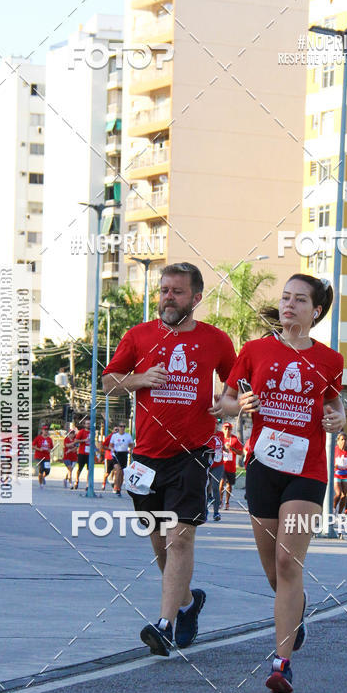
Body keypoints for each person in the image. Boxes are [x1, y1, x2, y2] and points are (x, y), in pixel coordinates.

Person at [102, 262, 237, 657]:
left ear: (196, 298)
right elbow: (109, 383)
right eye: (163, 290)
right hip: (145, 458)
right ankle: (187, 604)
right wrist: (139, 379)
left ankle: (163, 626)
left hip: (192, 454)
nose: (167, 297)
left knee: (181, 538)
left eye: (177, 292)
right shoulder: (139, 335)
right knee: (159, 540)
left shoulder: (215, 340)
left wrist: (227, 406)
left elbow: (237, 388)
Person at [220, 274, 345, 693]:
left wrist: (338, 418)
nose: (288, 305)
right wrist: (241, 404)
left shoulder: (330, 359)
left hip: (307, 469)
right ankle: (297, 610)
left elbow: (333, 403)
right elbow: (225, 401)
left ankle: (281, 663)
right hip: (262, 467)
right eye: (285, 297)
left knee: (290, 563)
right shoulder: (254, 351)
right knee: (275, 571)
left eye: (299, 300)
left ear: (316, 311)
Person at [220, 422, 243, 510]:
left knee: (229, 485)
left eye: (229, 428)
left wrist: (232, 448)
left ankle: (227, 502)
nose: (227, 430)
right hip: (221, 465)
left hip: (231, 466)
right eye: (225, 428)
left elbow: (240, 452)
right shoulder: (221, 438)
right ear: (223, 429)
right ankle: (220, 500)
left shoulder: (234, 439)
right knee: (221, 482)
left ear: (231, 429)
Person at [206, 421, 225, 521]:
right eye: (213, 424)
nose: (215, 426)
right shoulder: (205, 433)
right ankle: (204, 510)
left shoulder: (221, 434)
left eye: (217, 424)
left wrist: (225, 449)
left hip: (218, 465)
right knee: (205, 487)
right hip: (207, 464)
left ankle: (216, 513)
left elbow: (221, 445)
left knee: (215, 487)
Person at [109, 423, 134, 495]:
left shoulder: (127, 436)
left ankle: (119, 487)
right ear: (118, 427)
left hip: (124, 454)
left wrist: (130, 449)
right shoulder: (115, 436)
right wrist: (112, 449)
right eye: (121, 426)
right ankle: (115, 486)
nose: (122, 428)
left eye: (124, 426)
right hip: (116, 454)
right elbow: (110, 445)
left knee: (122, 472)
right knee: (118, 469)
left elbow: (131, 445)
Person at [333, 432, 347, 515]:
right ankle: (333, 509)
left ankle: (340, 513)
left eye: (345, 439)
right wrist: (335, 466)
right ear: (338, 441)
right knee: (338, 494)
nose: (344, 441)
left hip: (346, 475)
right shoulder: (334, 449)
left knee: (344, 495)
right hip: (336, 475)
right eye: (342, 439)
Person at [73, 418, 93, 490]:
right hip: (82, 453)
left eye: (90, 423)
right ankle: (76, 481)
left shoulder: (92, 432)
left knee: (89, 469)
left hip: (89, 454)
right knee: (80, 469)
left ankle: (87, 485)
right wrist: (83, 440)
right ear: (84, 425)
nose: (89, 425)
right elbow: (75, 441)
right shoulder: (82, 432)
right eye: (87, 423)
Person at [101, 427, 119, 492]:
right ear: (113, 430)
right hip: (109, 457)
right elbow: (103, 446)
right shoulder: (109, 437)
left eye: (118, 430)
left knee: (116, 471)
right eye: (115, 430)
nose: (116, 431)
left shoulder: (120, 437)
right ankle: (104, 484)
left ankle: (115, 486)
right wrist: (110, 448)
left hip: (116, 457)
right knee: (107, 473)